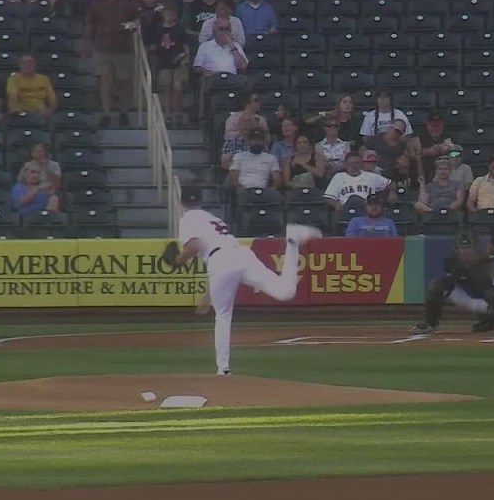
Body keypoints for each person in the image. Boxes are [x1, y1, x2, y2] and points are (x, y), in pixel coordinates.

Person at [163, 185, 322, 375]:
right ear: (200, 200)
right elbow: (217, 261)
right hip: (240, 254)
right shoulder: (212, 217)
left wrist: (179, 261)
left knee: (222, 316)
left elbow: (195, 246)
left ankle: (223, 368)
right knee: (285, 292)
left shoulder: (187, 218)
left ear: (181, 202)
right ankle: (293, 241)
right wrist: (207, 299)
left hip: (220, 260)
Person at [409, 232, 494, 336]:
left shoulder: (487, 262)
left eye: (468, 247)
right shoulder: (451, 261)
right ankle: (430, 324)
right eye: (462, 247)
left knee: (493, 295)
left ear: (474, 248)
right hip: (465, 294)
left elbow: (485, 283)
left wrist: (474, 267)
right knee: (435, 286)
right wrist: (461, 268)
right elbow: (449, 282)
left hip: (488, 296)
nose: (465, 251)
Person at [83, 0, 141, 128]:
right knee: (105, 79)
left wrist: (125, 27)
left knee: (125, 82)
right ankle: (106, 112)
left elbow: (138, 22)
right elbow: (90, 24)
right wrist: (86, 44)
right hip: (102, 47)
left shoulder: (129, 2)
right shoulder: (95, 2)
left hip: (124, 48)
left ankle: (124, 111)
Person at [146, 6, 192, 118]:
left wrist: (186, 57)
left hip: (179, 61)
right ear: (163, 15)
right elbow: (153, 45)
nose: (169, 16)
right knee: (166, 87)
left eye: (171, 14)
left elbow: (186, 46)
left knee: (178, 87)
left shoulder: (180, 29)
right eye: (167, 14)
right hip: (163, 61)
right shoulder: (157, 29)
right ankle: (167, 112)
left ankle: (177, 110)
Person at [323, 152, 395, 214]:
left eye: (357, 163)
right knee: (353, 199)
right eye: (351, 163)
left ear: (361, 164)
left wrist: (392, 192)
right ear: (346, 164)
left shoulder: (371, 176)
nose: (354, 166)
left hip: (367, 209)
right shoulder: (339, 177)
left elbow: (392, 183)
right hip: (346, 209)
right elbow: (328, 197)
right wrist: (336, 204)